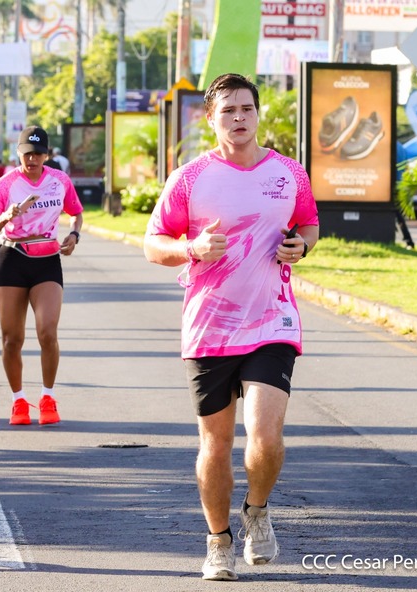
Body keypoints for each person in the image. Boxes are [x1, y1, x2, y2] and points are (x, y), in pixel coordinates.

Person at [143, 73, 320, 581]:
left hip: (271, 320)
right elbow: (153, 243)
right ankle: (218, 541)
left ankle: (257, 510)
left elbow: (308, 224)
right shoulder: (189, 178)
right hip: (210, 328)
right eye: (228, 110)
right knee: (216, 445)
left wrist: (302, 246)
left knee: (265, 437)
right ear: (211, 118)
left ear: (257, 113)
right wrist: (191, 248)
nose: (239, 118)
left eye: (246, 108)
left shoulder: (290, 172)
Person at [0, 125, 83, 425]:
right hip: (11, 257)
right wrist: (6, 216)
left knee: (47, 331)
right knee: (12, 339)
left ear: (46, 155)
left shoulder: (60, 181)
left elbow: (76, 213)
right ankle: (18, 401)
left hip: (47, 258)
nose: (32, 159)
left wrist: (74, 234)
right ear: (19, 153)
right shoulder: (5, 185)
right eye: (27, 153)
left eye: (38, 153)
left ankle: (48, 396)